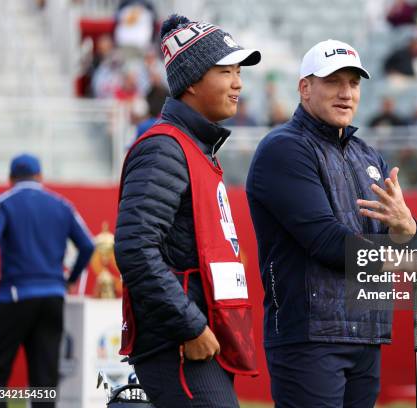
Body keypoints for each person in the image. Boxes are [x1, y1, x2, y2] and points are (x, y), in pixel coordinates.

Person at [246, 39, 417, 407]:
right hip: (309, 338)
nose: (346, 93)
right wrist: (403, 251)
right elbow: (328, 242)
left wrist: (410, 231)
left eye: (354, 83)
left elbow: (404, 242)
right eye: (333, 81)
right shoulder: (283, 149)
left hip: (366, 333)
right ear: (305, 88)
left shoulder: (368, 155)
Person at [114, 14, 261, 407]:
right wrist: (190, 325)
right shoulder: (165, 147)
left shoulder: (194, 147)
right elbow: (134, 249)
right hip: (178, 344)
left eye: (239, 72)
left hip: (195, 339)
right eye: (226, 71)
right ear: (192, 81)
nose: (238, 83)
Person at [0, 154, 94, 407]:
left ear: (10, 179)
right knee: (45, 378)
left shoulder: (4, 202)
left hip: (15, 297)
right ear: (41, 177)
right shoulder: (61, 204)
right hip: (53, 297)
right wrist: (70, 280)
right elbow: (88, 245)